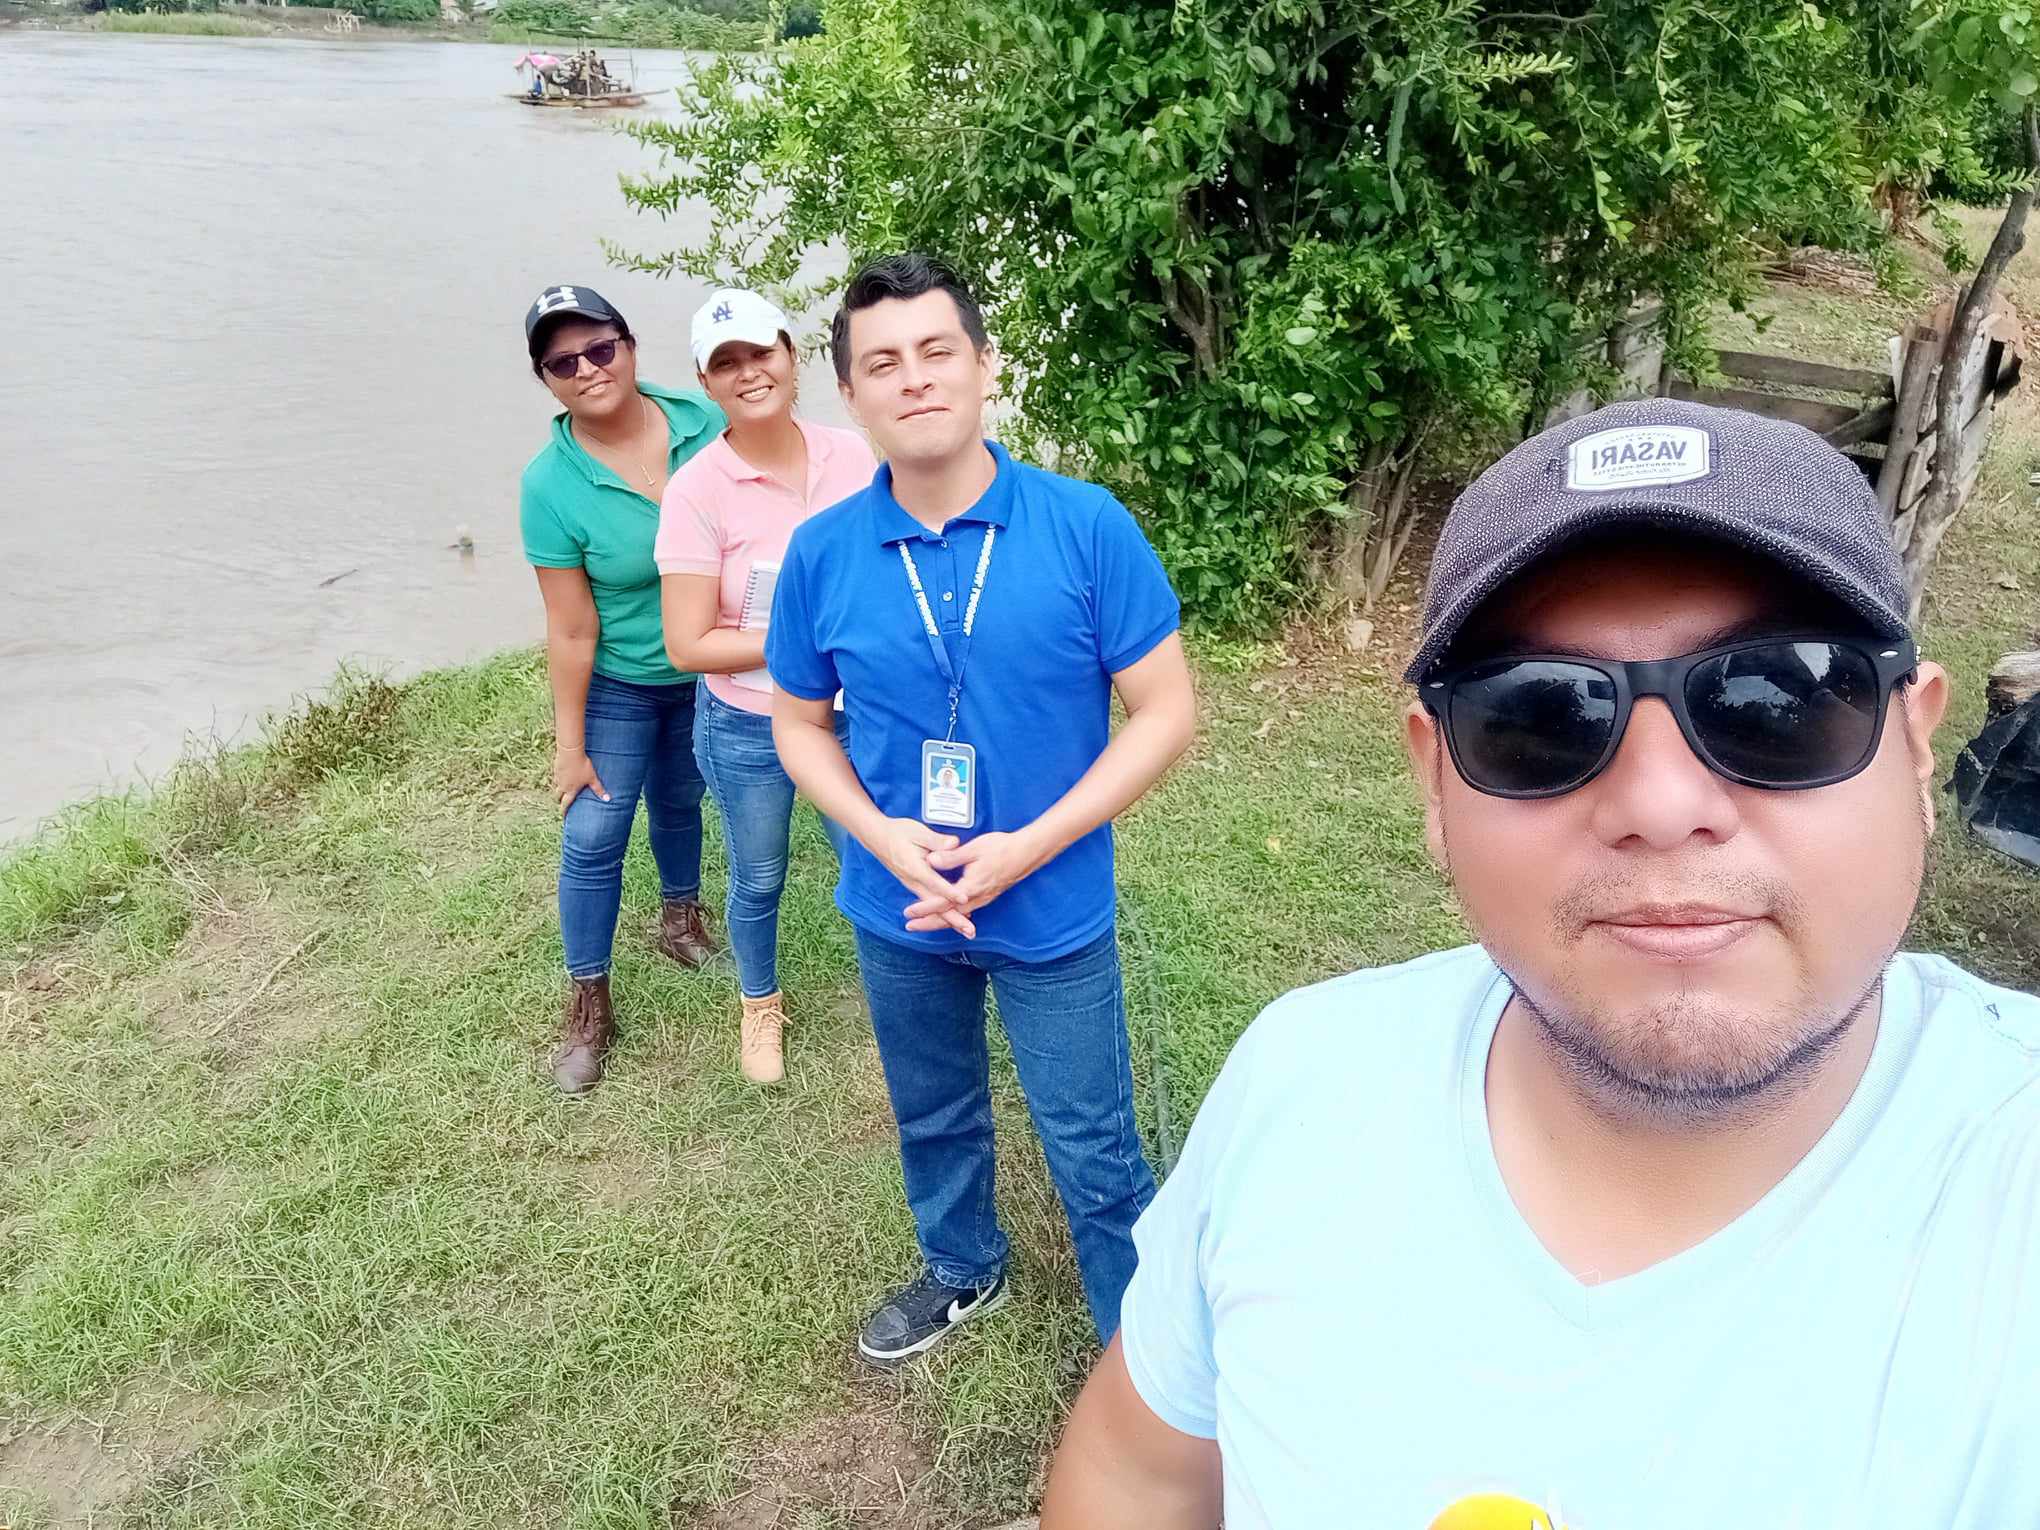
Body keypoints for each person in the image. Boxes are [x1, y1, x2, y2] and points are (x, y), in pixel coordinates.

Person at [1040, 398, 2040, 1529]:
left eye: (1783, 700)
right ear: (1433, 784)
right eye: (1542, 716)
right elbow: (1137, 1471)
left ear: (1916, 744)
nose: (1660, 803)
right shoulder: (1300, 1078)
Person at [765, 253, 1197, 1366]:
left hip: (1051, 906)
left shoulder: (1085, 526)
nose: (913, 378)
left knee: (1094, 1146)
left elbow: (1164, 711)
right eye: (881, 364)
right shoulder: (821, 554)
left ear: (985, 366)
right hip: (898, 906)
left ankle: (1141, 1359)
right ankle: (962, 1265)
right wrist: (879, 835)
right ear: (850, 396)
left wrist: (1031, 846)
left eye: (935, 350)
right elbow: (799, 726)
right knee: (933, 1110)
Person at [655, 288, 878, 1085]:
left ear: (792, 355)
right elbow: (688, 643)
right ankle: (759, 1003)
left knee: (871, 856)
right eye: (726, 364)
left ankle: (898, 989)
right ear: (704, 382)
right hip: (748, 723)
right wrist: (806, 641)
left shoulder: (853, 457)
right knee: (758, 874)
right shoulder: (696, 491)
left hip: (854, 715)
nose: (748, 373)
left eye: (761, 353)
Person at [518, 284, 725, 1096]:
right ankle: (589, 1002)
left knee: (680, 800)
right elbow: (571, 628)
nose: (588, 370)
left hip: (709, 669)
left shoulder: (705, 424)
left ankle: (680, 918)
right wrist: (569, 746)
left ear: (630, 347)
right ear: (547, 381)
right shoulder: (549, 485)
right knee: (594, 832)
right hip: (622, 682)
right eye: (563, 363)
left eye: (600, 349)